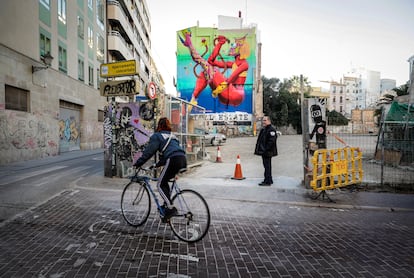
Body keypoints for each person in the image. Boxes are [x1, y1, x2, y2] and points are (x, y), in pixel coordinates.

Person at [133, 117, 187, 221]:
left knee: (160, 184)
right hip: (182, 159)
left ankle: (170, 208)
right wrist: (155, 166)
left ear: (159, 126)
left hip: (172, 159)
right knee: (165, 180)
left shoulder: (157, 136)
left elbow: (149, 152)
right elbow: (166, 156)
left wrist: (138, 163)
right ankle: (166, 208)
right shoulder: (173, 136)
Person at [254, 116, 278, 186]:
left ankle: (267, 181)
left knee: (267, 167)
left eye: (265, 120)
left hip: (267, 152)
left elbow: (271, 141)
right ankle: (269, 180)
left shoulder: (271, 130)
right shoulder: (264, 129)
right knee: (266, 166)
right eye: (263, 120)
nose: (263, 122)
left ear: (269, 121)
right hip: (264, 152)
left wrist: (265, 149)